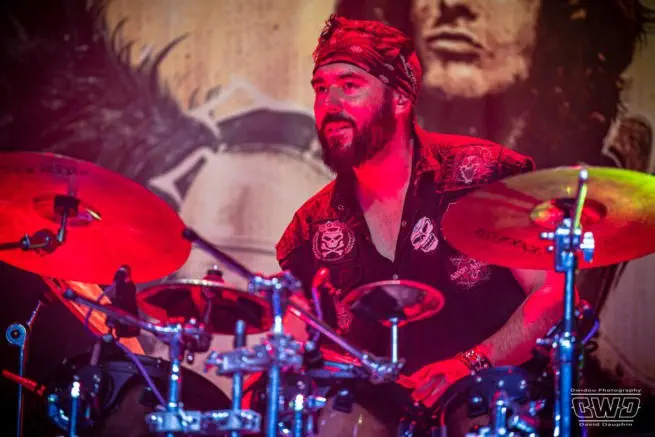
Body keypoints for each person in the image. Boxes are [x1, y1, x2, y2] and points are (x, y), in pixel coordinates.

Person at [274, 14, 567, 436]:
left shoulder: (485, 175)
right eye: (321, 88)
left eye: (350, 85)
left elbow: (553, 295)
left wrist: (471, 363)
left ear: (400, 99)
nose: (329, 104)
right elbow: (299, 345)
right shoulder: (311, 227)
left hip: (493, 403)